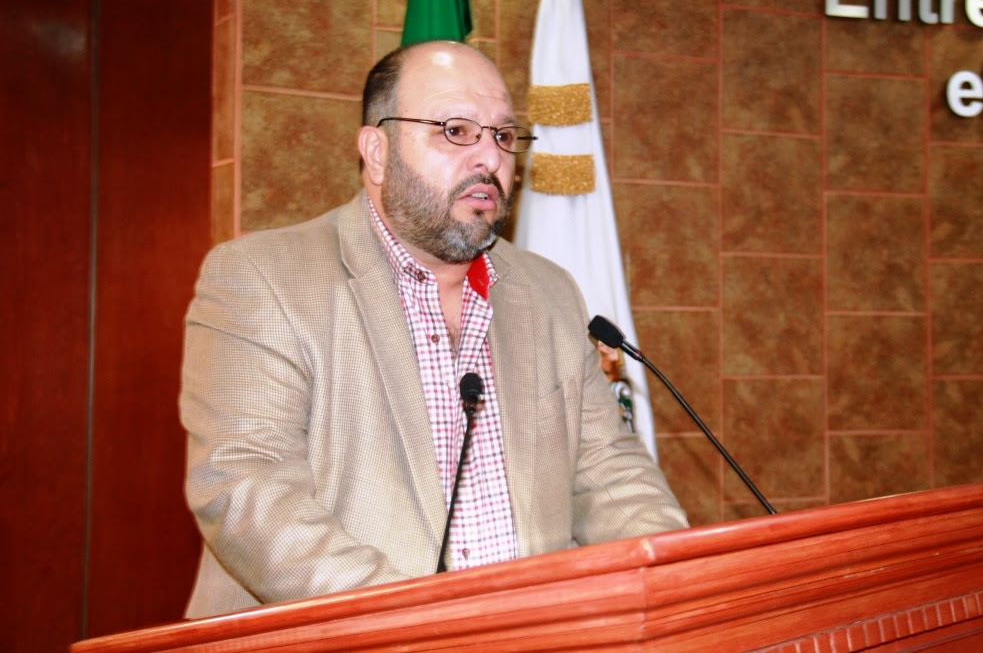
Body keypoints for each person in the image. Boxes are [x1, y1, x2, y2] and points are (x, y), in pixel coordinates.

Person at [180, 40, 687, 619]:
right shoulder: (262, 278)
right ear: (377, 152)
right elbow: (247, 491)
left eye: (503, 135)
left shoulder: (549, 291)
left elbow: (610, 474)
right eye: (455, 131)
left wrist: (676, 586)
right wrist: (428, 626)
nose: (489, 158)